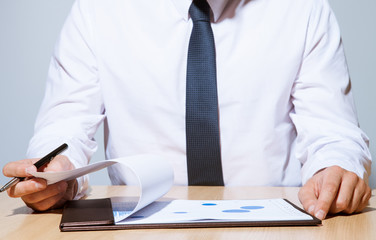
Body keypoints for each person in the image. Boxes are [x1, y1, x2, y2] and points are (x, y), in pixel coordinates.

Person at [2, 0, 372, 220]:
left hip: (274, 227)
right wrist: (56, 175)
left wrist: (336, 170)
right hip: (140, 227)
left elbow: (333, 133)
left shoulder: (304, 9)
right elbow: (65, 125)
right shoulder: (98, 10)